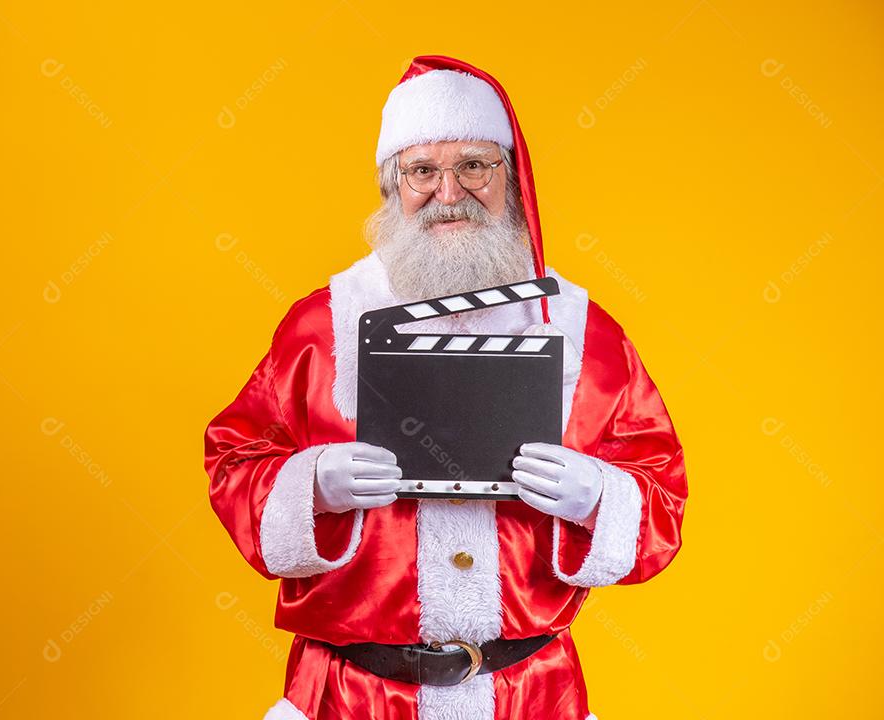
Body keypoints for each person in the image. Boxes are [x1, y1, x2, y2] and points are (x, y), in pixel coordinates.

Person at [203, 54, 688, 720]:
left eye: (474, 165)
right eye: (422, 170)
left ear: (511, 178)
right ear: (390, 186)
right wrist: (310, 484)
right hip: (350, 700)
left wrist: (598, 496)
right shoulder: (324, 325)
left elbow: (663, 495)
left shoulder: (580, 331)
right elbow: (233, 461)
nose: (449, 191)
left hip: (529, 697)